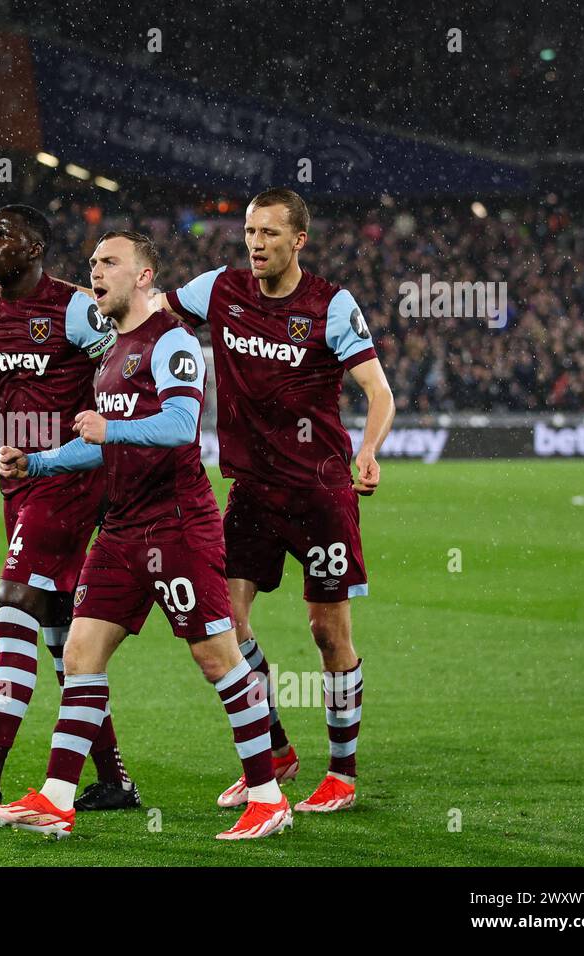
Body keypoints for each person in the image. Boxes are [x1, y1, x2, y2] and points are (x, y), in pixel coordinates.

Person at [0, 231, 290, 840]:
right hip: (122, 527)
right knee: (79, 655)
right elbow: (99, 444)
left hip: (177, 525)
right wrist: (38, 464)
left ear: (144, 276)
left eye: (109, 263)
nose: (95, 272)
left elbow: (180, 426)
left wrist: (110, 427)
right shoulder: (108, 354)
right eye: (92, 263)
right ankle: (57, 797)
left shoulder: (171, 340)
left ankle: (268, 795)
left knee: (216, 658)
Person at [155, 188, 396, 813]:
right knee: (227, 626)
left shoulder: (331, 305)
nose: (256, 244)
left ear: (299, 241)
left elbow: (379, 392)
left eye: (268, 234)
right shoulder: (220, 290)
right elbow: (152, 311)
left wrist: (366, 452)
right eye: (250, 232)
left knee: (326, 631)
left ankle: (341, 774)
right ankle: (276, 752)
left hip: (321, 494)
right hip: (251, 492)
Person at [0, 206, 141, 819]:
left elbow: (124, 363)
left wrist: (116, 436)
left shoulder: (72, 308)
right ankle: (116, 780)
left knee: (14, 607)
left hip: (69, 478)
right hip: (18, 482)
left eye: (1, 236)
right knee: (63, 634)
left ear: (36, 247)